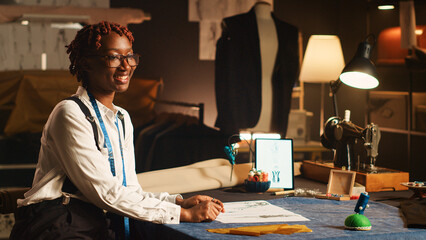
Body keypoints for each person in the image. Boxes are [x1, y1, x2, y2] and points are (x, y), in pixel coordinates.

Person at [10, 21, 224, 240]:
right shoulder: (69, 113)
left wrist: (177, 201)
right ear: (86, 63)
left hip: (94, 220)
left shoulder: (122, 118)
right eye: (113, 57)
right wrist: (183, 214)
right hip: (60, 224)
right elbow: (105, 193)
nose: (126, 66)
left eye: (129, 56)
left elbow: (127, 190)